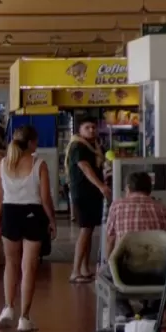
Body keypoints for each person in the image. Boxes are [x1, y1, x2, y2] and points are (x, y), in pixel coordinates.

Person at [0, 126, 55, 332]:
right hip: (33, 214)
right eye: (35, 142)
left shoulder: (3, 164)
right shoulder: (39, 164)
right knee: (28, 267)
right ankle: (24, 318)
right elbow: (45, 199)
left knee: (10, 264)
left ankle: (8, 307)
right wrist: (52, 220)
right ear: (30, 143)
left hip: (10, 214)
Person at [66, 116, 111, 283]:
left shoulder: (93, 146)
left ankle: (84, 268)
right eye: (87, 127)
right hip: (83, 193)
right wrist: (101, 185)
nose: (91, 130)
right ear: (80, 130)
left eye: (93, 127)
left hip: (91, 194)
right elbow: (84, 167)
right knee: (85, 230)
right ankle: (75, 270)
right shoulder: (78, 146)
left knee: (89, 229)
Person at [103, 171, 166, 257]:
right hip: (158, 265)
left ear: (128, 188)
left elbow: (110, 239)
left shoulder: (117, 206)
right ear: (150, 190)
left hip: (124, 265)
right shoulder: (163, 209)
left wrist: (108, 264)